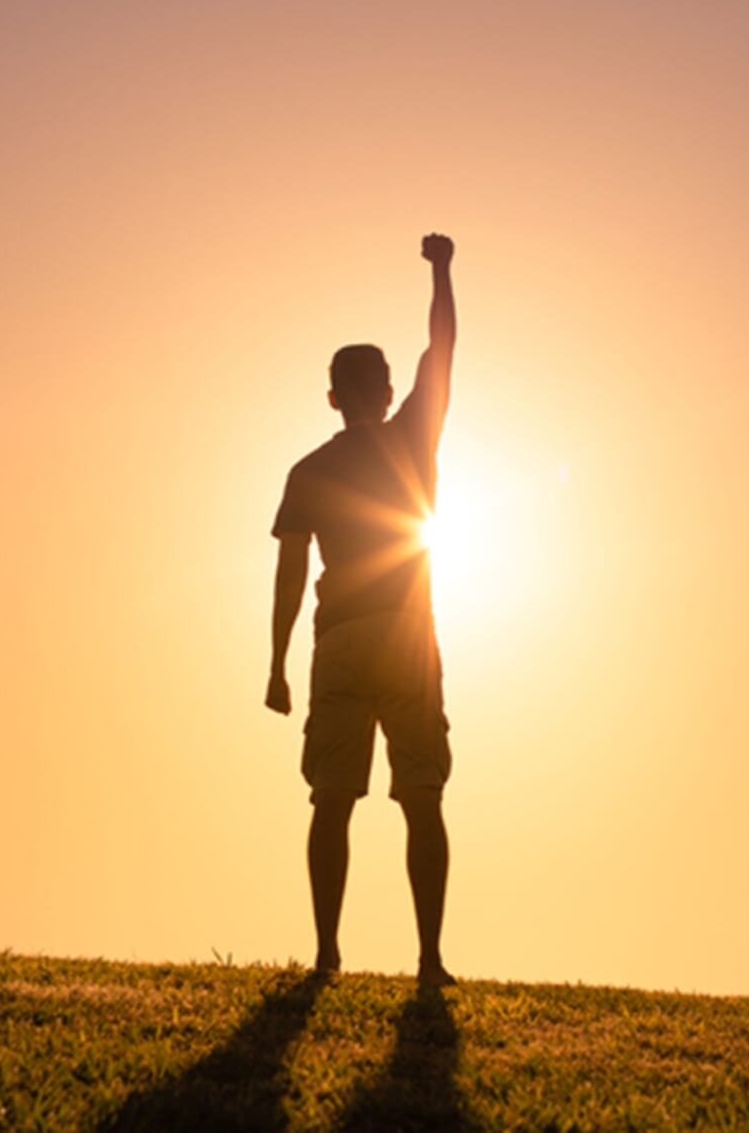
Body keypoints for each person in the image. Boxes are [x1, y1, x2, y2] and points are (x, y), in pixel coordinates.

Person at [266, 232, 457, 985]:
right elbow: (441, 347)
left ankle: (326, 955)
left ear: (334, 397)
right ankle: (431, 960)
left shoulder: (308, 469)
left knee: (332, 800)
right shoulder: (415, 433)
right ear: (382, 393)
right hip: (407, 636)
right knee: (423, 797)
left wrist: (276, 665)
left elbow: (287, 577)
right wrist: (442, 272)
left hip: (340, 640)